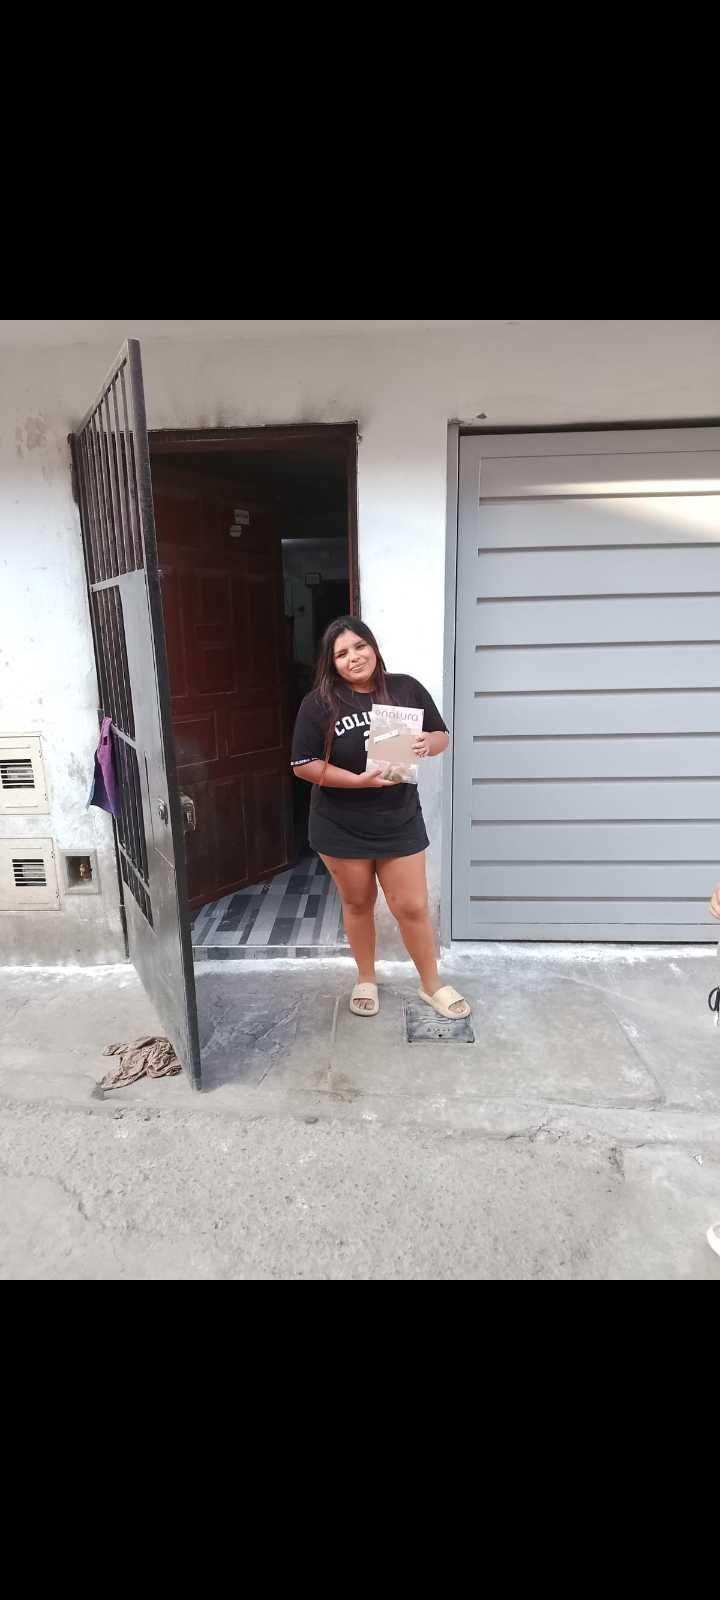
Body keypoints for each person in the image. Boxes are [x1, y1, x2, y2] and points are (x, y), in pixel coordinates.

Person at [291, 617, 470, 1020]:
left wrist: (427, 743)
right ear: (331, 662)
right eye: (341, 653)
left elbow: (441, 735)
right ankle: (366, 978)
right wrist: (355, 781)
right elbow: (303, 764)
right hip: (339, 823)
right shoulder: (318, 703)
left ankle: (431, 984)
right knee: (357, 903)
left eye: (360, 646)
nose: (353, 657)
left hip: (399, 819)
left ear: (373, 647)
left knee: (412, 906)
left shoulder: (405, 688)